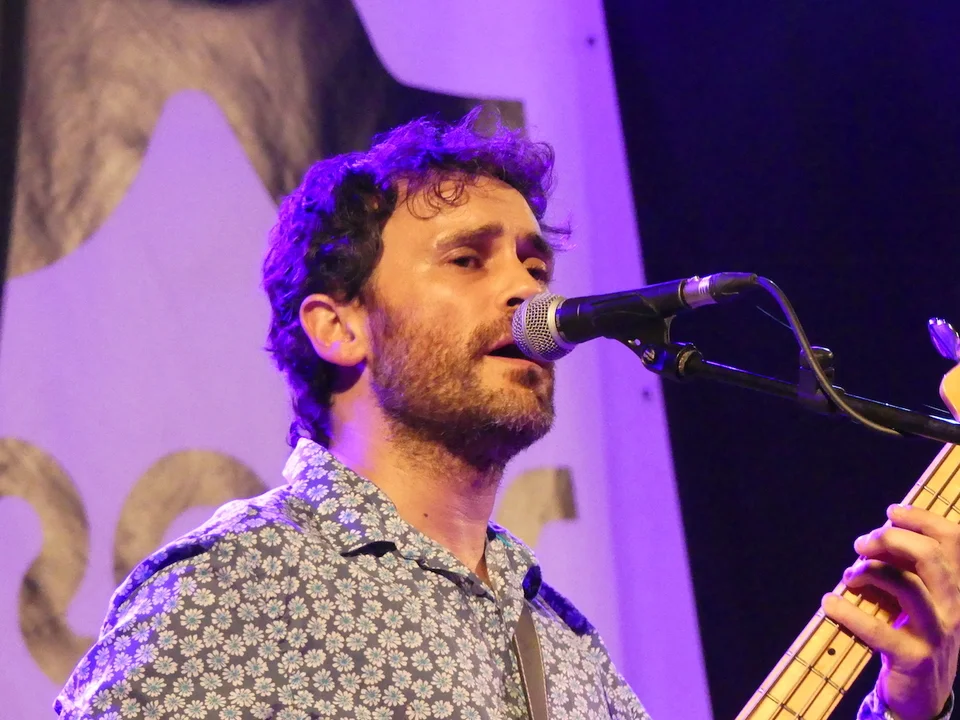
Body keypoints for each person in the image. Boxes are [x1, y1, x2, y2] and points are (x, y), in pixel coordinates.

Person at [55, 109, 959, 719]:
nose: (530, 292)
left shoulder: (566, 645)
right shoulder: (234, 589)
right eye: (467, 259)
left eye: (535, 264)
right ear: (339, 327)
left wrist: (904, 706)